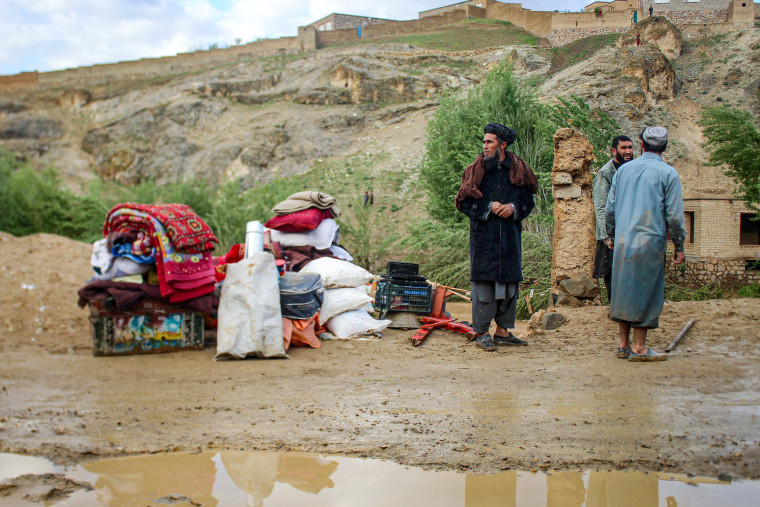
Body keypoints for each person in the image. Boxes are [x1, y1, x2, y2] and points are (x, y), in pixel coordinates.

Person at [605, 127, 686, 361]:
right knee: (646, 291)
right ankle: (639, 348)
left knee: (622, 289)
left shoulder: (624, 171)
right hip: (650, 241)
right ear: (665, 147)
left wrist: (611, 235)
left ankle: (623, 345)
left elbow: (610, 209)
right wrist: (679, 246)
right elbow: (674, 216)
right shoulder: (669, 173)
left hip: (623, 240)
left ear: (641, 144)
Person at [455, 123, 538, 351]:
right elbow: (463, 202)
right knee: (484, 286)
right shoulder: (475, 171)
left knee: (509, 286)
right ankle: (481, 332)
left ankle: (502, 332)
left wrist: (513, 207)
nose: (485, 146)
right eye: (484, 142)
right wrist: (489, 207)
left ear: (503, 145)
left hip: (510, 238)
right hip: (484, 240)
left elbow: (528, 202)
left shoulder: (519, 170)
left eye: (489, 142)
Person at [593, 135, 634, 305]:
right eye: (623, 148)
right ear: (614, 150)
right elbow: (601, 207)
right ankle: (615, 308)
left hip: (632, 229)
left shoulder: (634, 169)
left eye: (630, 148)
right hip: (613, 232)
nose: (628, 151)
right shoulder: (606, 173)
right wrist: (606, 236)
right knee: (612, 273)